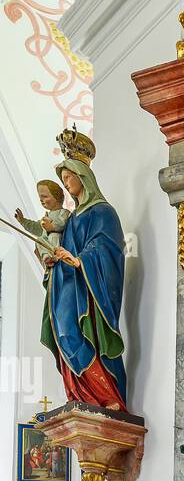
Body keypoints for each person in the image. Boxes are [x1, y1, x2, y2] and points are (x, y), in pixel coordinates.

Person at [40, 127, 128, 411]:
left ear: (84, 177)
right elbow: (62, 247)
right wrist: (52, 260)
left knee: (80, 332)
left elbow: (108, 248)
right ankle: (80, 394)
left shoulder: (103, 212)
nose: (66, 184)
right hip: (67, 286)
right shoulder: (71, 218)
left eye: (69, 177)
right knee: (63, 332)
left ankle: (105, 396)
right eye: (63, 179)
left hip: (87, 291)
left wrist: (82, 261)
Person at [16, 180, 70, 266]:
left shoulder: (64, 212)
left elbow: (62, 223)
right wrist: (23, 221)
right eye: (40, 198)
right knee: (39, 241)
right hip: (47, 242)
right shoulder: (46, 216)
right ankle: (46, 258)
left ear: (57, 197)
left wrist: (52, 226)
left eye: (44, 196)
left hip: (58, 240)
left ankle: (57, 256)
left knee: (53, 236)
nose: (41, 200)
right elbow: (36, 227)